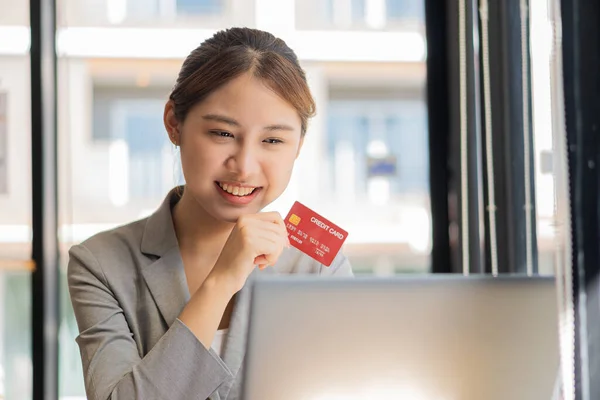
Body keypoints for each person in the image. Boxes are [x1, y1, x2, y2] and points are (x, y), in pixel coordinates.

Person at [67, 27, 353, 400]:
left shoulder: (317, 265)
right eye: (222, 133)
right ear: (174, 123)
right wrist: (222, 280)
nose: (245, 166)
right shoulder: (101, 264)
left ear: (298, 145)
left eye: (272, 140)